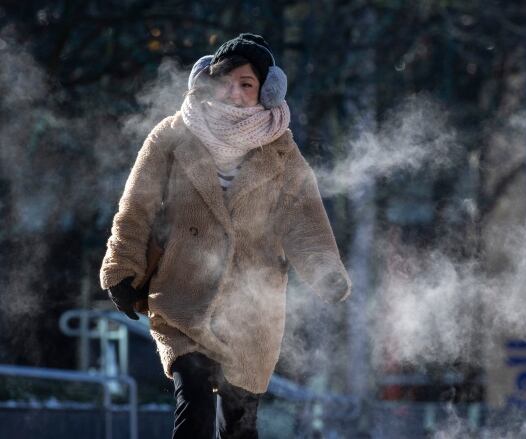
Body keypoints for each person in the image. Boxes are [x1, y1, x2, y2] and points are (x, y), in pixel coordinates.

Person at [99, 33, 351, 439]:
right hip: (183, 295)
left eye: (246, 84)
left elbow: (304, 220)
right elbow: (135, 208)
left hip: (254, 308)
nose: (233, 92)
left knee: (239, 423)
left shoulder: (282, 152)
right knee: (194, 400)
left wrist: (325, 271)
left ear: (267, 92)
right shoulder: (171, 135)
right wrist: (121, 270)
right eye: (225, 81)